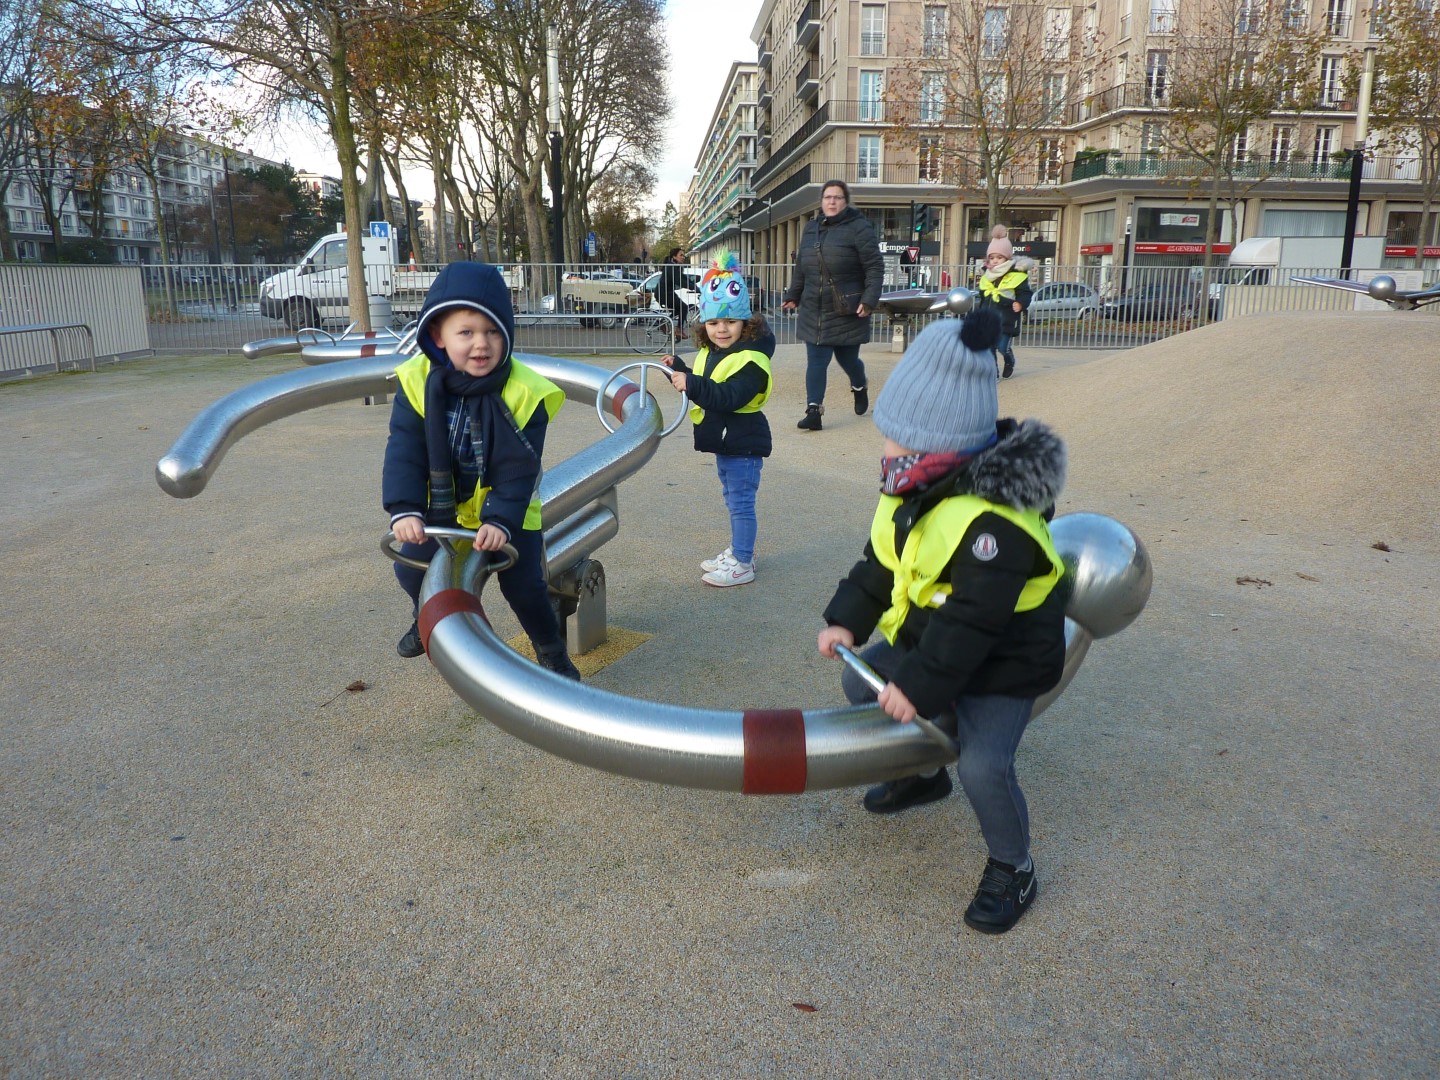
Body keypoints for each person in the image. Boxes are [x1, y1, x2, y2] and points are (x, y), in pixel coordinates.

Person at [815, 306, 1068, 935]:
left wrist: (921, 689)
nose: (886, 450)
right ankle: (922, 773)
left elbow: (974, 624)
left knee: (984, 763)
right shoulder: (913, 488)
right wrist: (846, 620)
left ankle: (1015, 866)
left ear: (942, 446)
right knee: (860, 680)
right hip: (939, 639)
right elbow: (881, 560)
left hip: (1003, 663)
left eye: (899, 439)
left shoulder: (995, 526)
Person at [383, 261, 581, 680]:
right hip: (442, 508)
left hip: (508, 508)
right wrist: (405, 509)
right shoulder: (418, 381)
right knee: (409, 564)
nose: (482, 344)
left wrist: (502, 519)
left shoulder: (525, 390)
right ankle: (425, 615)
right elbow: (405, 449)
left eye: (493, 331)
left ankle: (551, 650)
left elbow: (519, 466)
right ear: (438, 335)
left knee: (524, 586)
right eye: (466, 332)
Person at [661, 254, 774, 588]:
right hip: (728, 442)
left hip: (743, 441)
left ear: (745, 324)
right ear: (704, 326)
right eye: (713, 323)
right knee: (732, 497)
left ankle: (742, 562)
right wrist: (681, 369)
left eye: (729, 322)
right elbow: (704, 379)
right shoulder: (717, 352)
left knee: (740, 503)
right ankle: (741, 551)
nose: (721, 329)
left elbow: (727, 395)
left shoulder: (752, 360)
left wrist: (691, 383)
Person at [781, 179, 884, 431]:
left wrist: (869, 300)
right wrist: (793, 293)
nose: (832, 201)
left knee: (848, 360)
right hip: (814, 309)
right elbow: (802, 265)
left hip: (846, 308)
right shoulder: (811, 228)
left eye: (837, 197)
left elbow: (874, 267)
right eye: (828, 197)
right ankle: (814, 410)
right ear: (821, 201)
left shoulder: (859, 228)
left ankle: (859, 386)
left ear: (845, 201)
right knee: (816, 361)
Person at [974, 230, 1032, 380]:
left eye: (999, 257)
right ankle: (994, 373)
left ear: (1007, 258)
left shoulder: (1017, 275)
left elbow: (1025, 294)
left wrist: (1020, 303)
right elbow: (983, 298)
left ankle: (1009, 359)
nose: (995, 261)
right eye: (992, 257)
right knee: (990, 348)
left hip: (1007, 319)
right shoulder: (987, 276)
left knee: (1002, 347)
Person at [655, 246, 690, 336]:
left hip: (668, 293)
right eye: (681, 255)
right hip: (663, 294)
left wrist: (696, 286)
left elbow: (684, 279)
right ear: (674, 257)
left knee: (680, 308)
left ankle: (663, 322)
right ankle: (679, 329)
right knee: (684, 307)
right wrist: (693, 287)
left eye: (684, 255)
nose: (683, 257)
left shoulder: (676, 267)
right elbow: (679, 281)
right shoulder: (671, 267)